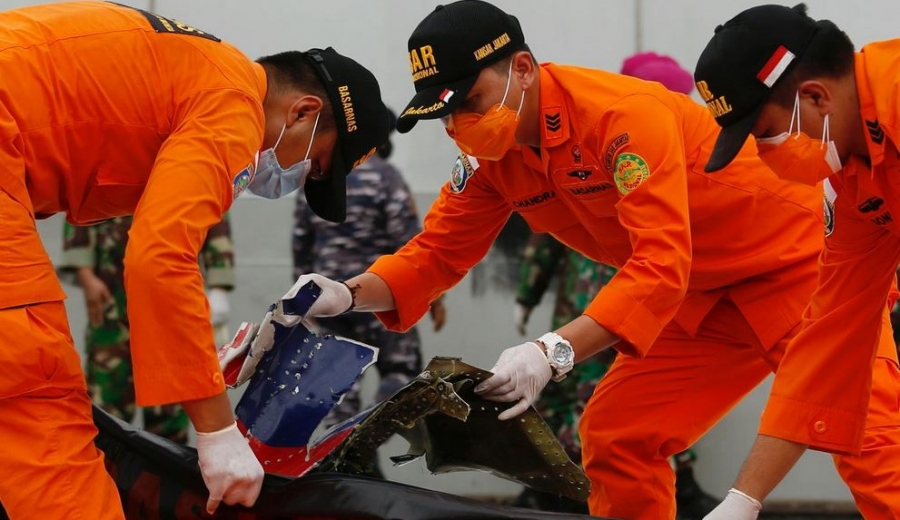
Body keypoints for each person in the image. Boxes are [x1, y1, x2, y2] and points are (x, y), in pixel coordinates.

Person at [281, 1, 900, 519]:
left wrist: (553, 352)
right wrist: (347, 294)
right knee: (619, 432)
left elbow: (660, 260)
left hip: (798, 270)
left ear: (522, 67)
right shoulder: (492, 159)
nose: (462, 122)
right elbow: (436, 255)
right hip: (700, 301)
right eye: (447, 112)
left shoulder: (619, 118)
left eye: (471, 99)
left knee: (873, 443)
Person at [0, 2, 390, 518]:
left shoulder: (197, 70)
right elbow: (159, 257)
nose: (297, 179)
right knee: (35, 392)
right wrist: (217, 430)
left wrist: (199, 360)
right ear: (302, 111)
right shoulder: (234, 103)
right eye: (314, 164)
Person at [693, 4, 900, 518]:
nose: (763, 153)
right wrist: (744, 499)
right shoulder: (854, 185)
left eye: (764, 133)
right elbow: (829, 342)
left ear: (815, 96)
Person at [513, 52, 717, 519]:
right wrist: (528, 298)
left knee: (614, 402)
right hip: (618, 303)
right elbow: (547, 233)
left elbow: (545, 246)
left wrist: (529, 299)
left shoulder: (657, 144)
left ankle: (572, 488)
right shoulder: (596, 139)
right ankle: (578, 488)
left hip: (636, 298)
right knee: (599, 401)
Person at [293, 109, 447, 437]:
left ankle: (342, 447)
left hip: (329, 298)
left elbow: (300, 245)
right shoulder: (387, 178)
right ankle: (369, 436)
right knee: (402, 372)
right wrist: (434, 298)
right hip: (379, 296)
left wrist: (305, 302)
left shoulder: (317, 179)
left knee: (336, 382)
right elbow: (411, 245)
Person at [58, 215, 236, 445]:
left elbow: (212, 211)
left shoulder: (181, 177)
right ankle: (105, 474)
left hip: (170, 303)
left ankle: (167, 476)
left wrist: (219, 285)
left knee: (170, 405)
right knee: (106, 403)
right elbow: (80, 203)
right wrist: (86, 275)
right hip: (112, 297)